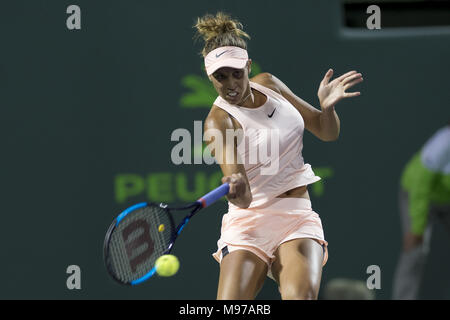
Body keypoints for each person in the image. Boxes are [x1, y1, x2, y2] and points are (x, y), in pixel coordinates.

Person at [193, 12, 363, 300]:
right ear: (210, 76)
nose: (231, 84)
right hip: (248, 224)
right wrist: (235, 186)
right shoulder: (218, 121)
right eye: (220, 77)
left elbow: (325, 131)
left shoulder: (270, 84)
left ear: (248, 66)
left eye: (237, 72)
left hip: (295, 215)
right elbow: (244, 199)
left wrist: (328, 108)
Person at [392, 123, 450, 300]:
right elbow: (420, 185)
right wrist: (417, 230)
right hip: (417, 194)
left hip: (446, 198)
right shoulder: (444, 141)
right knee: (415, 251)